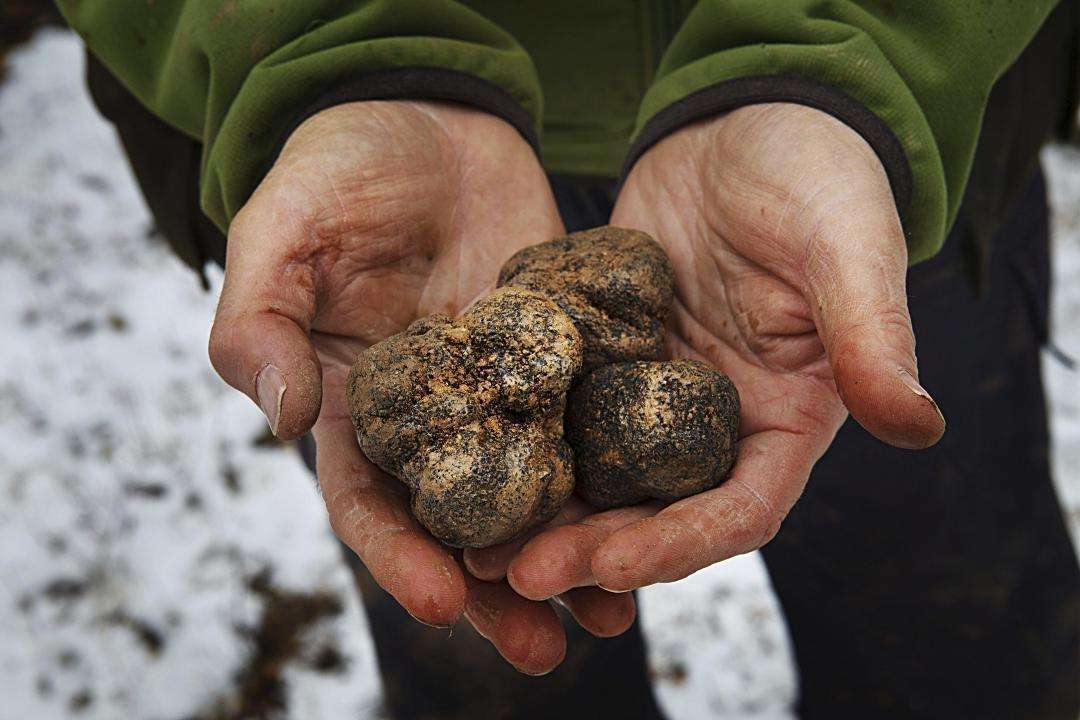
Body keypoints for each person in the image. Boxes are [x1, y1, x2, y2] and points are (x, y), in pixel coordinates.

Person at [59, 1, 1079, 717]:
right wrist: (314, 55)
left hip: (866, 156)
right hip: (388, 212)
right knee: (486, 653)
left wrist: (855, 55)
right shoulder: (459, 361)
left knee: (960, 640)